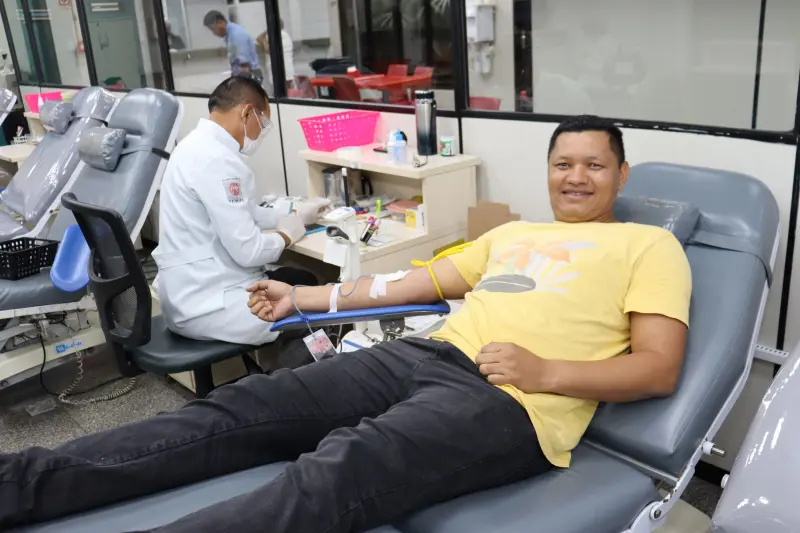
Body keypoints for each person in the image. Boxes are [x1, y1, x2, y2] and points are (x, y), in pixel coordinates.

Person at [0, 115, 692, 533]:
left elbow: (658, 367)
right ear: (548, 171)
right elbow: (406, 285)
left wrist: (546, 371)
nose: (576, 176)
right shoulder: (512, 235)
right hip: (427, 355)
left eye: (594, 165)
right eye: (564, 163)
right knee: (240, 406)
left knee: (338, 470)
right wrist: (303, 299)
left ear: (621, 174)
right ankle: (20, 484)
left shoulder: (650, 247)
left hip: (511, 401)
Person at [151, 76, 318, 347]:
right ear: (247, 113)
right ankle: (299, 372)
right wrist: (286, 236)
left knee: (302, 279)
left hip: (193, 289)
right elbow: (248, 251)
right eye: (263, 123)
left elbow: (244, 212)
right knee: (311, 308)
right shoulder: (217, 160)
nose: (261, 133)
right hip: (208, 304)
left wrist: (291, 214)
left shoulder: (195, 146)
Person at [203, 10, 263, 83]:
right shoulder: (229, 34)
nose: (214, 33)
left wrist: (239, 83)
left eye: (213, 29)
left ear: (220, 22)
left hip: (250, 74)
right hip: (242, 73)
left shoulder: (237, 34)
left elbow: (244, 63)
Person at [256, 18, 295, 91]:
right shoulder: (285, 35)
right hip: (285, 70)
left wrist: (264, 41)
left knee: (284, 92)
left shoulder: (280, 35)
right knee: (286, 91)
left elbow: (268, 49)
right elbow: (258, 38)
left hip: (282, 70)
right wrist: (267, 31)